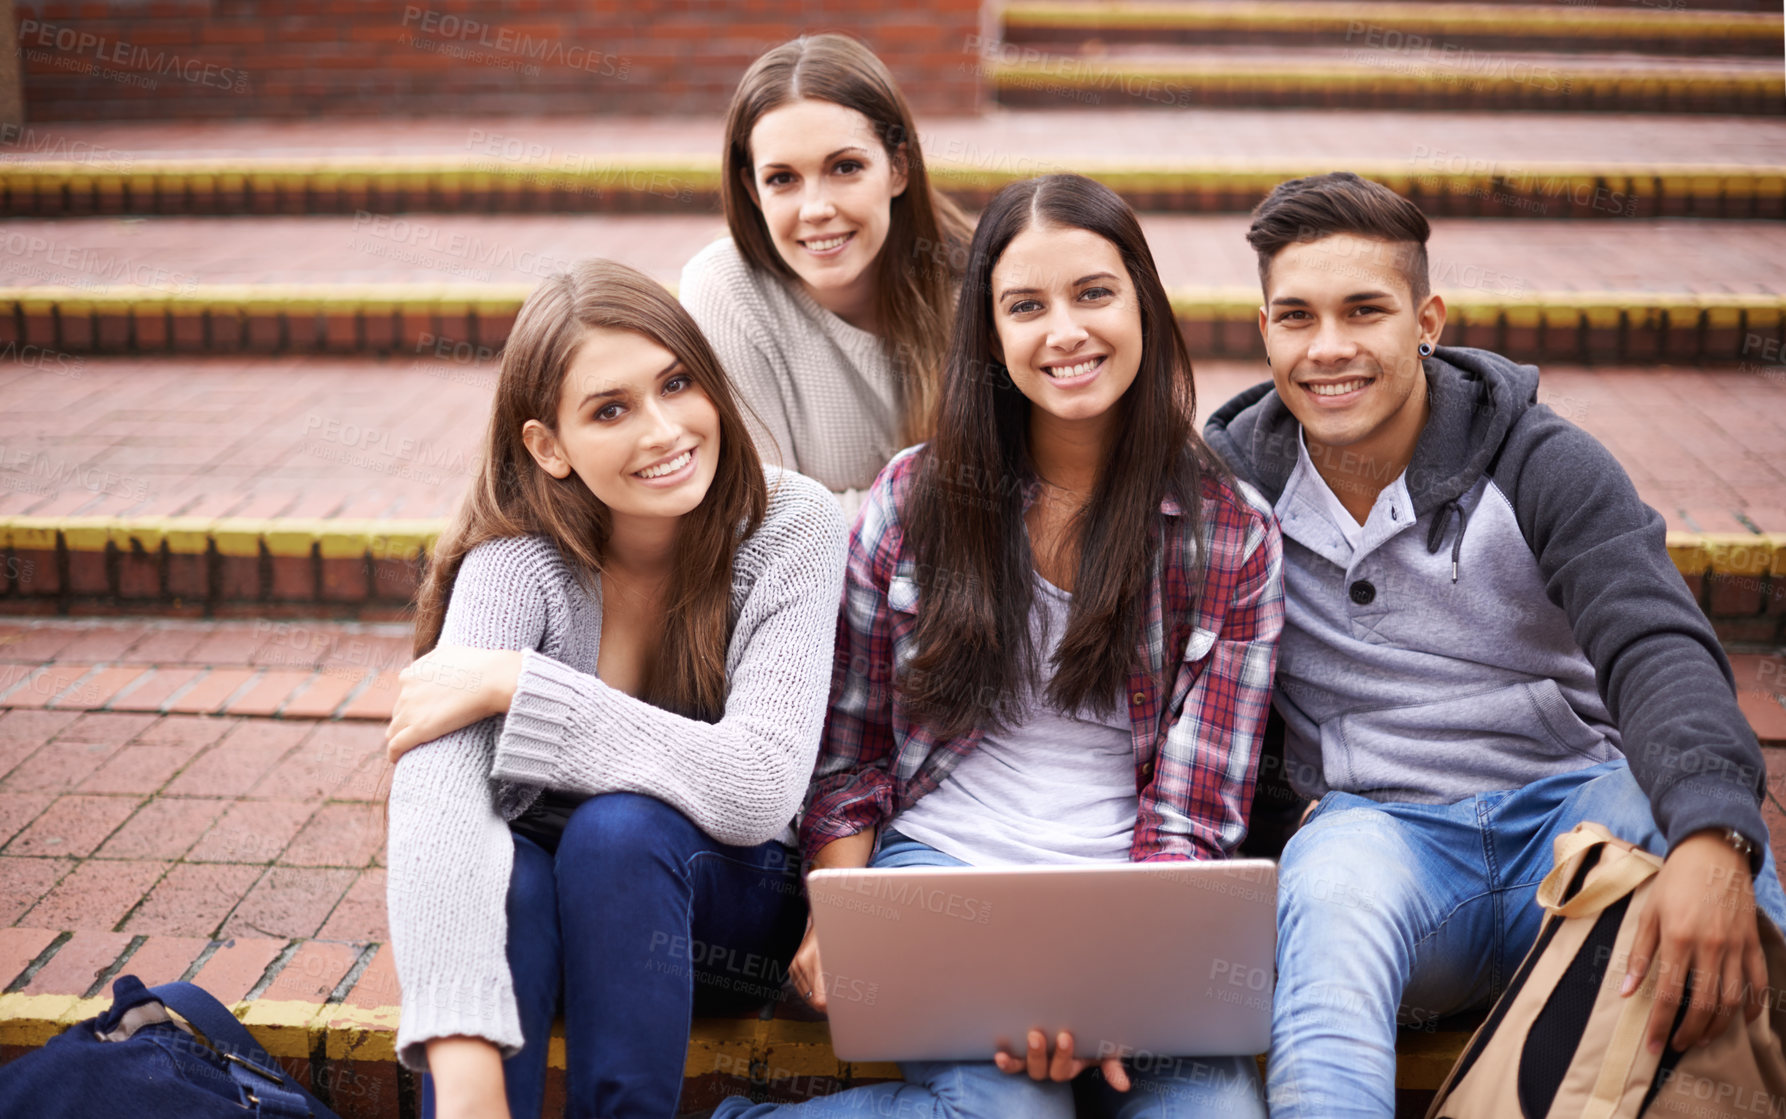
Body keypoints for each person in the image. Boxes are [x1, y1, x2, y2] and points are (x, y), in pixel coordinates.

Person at [1200, 171, 1786, 1119]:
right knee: (1327, 888)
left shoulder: (1542, 459)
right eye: (1296, 316)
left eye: (1365, 310)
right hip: (1382, 839)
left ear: (1426, 319)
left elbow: (1655, 641)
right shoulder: (1232, 491)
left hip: (1574, 811)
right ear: (1264, 328)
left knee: (1711, 850)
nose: (1330, 347)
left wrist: (1717, 837)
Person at [712, 173, 1284, 1119]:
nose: (1065, 331)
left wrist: (1116, 989)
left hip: (1132, 906)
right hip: (943, 885)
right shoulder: (914, 502)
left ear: (1143, 301)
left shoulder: (1229, 533)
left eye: (1094, 293)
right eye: (1026, 306)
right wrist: (839, 915)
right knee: (1012, 1114)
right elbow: (849, 754)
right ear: (989, 334)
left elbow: (1196, 812)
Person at [382, 259, 847, 1119]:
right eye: (610, 409)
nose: (664, 429)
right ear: (547, 446)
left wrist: (525, 685)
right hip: (556, 928)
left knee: (616, 831)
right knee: (508, 874)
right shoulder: (515, 565)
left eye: (677, 382)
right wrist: (463, 1058)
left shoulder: (794, 525)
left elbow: (757, 785)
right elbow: (433, 788)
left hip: (724, 908)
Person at [679, 32, 973, 508]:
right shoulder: (724, 288)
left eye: (845, 168)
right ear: (753, 191)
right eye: (782, 179)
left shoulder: (975, 285)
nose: (815, 209)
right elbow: (768, 518)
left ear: (898, 167)